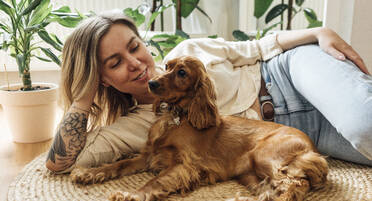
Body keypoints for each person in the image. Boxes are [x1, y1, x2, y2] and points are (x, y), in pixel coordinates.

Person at [45, 10, 372, 173]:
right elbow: (61, 162)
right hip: (296, 132)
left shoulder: (190, 50)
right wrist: (84, 95)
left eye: (134, 47)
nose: (135, 63)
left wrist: (319, 31)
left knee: (364, 125)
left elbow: (258, 47)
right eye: (115, 63)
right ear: (101, 78)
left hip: (290, 74)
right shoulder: (137, 126)